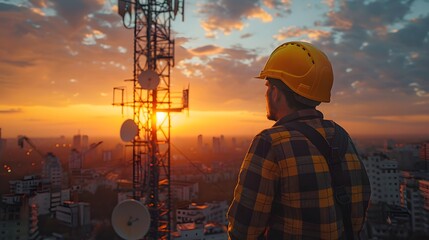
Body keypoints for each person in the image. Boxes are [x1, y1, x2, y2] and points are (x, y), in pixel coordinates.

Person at [227, 41, 371, 240]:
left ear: (276, 92)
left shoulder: (271, 143)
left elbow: (243, 231)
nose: (267, 92)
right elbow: (358, 215)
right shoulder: (341, 137)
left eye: (268, 85)